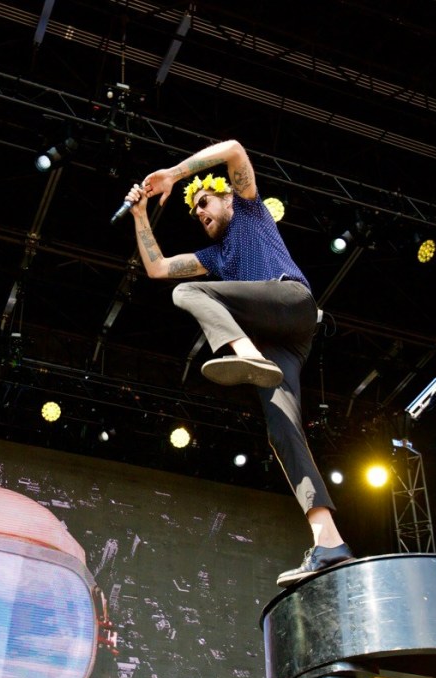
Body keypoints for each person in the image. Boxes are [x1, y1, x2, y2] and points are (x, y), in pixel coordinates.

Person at [125, 139, 354, 586]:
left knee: (188, 292)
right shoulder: (215, 257)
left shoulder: (249, 210)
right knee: (281, 430)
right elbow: (157, 268)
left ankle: (243, 352)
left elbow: (233, 148)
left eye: (204, 203)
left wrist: (173, 175)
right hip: (279, 346)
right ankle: (329, 542)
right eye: (195, 212)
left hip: (290, 302)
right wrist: (139, 214)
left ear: (227, 196)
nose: (200, 213)